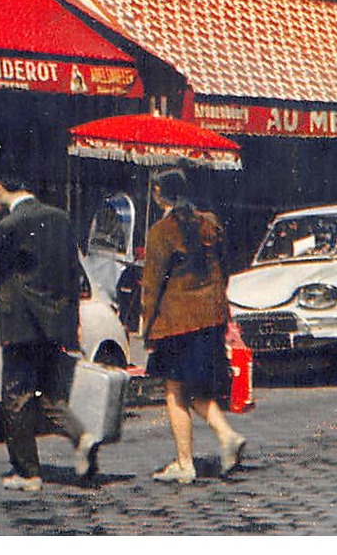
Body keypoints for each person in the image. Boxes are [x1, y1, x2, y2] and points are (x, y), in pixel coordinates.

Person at [0, 176, 98, 492]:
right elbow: (73, 272)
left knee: (17, 395)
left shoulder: (9, 223)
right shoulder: (60, 217)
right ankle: (80, 434)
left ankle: (27, 472)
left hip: (20, 323)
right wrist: (73, 321)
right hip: (57, 320)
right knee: (51, 393)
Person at [140, 170, 246, 484]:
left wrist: (147, 327)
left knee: (174, 391)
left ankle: (186, 463)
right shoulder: (210, 223)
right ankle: (226, 435)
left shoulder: (161, 231)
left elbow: (152, 285)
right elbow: (225, 269)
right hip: (211, 316)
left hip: (176, 321)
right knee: (196, 387)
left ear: (159, 193)